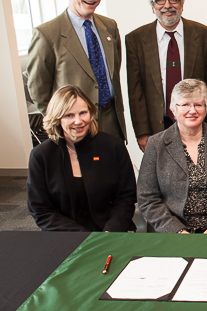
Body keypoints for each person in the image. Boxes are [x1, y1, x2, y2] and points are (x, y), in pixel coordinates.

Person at [27, 0, 126, 140]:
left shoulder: (109, 26)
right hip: (75, 127)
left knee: (114, 167)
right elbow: (38, 90)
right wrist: (62, 120)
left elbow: (113, 72)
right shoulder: (47, 34)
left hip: (111, 120)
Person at [126, 0, 207, 152]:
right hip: (157, 126)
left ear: (182, 3)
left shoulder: (203, 35)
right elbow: (135, 90)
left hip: (196, 123)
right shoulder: (136, 40)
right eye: (160, 0)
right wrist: (142, 132)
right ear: (152, 5)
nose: (167, 5)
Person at [138, 79, 207, 234]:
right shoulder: (156, 144)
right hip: (170, 233)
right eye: (185, 104)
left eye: (198, 105)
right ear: (173, 109)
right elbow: (147, 198)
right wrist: (177, 231)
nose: (192, 110)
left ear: (206, 108)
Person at [26, 86, 136, 231]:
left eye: (83, 113)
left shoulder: (113, 146)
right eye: (69, 115)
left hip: (110, 233)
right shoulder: (41, 156)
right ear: (57, 118)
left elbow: (126, 197)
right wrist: (82, 237)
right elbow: (40, 210)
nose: (78, 121)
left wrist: (111, 230)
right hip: (65, 235)